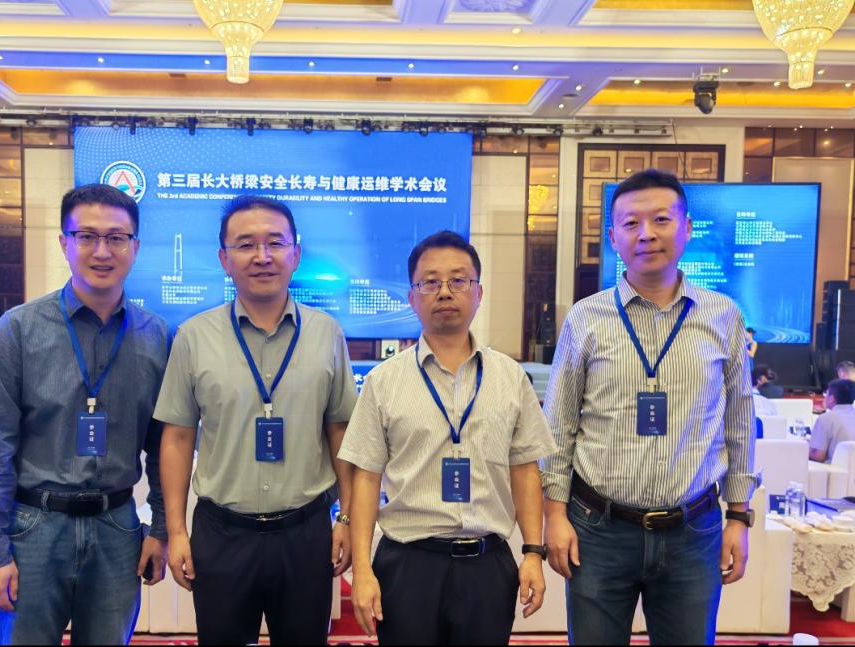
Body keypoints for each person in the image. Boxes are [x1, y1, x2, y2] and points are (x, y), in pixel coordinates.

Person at [541, 169, 756, 646]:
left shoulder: (723, 316)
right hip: (598, 530)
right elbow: (559, 427)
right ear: (613, 237)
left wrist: (739, 517)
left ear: (687, 228)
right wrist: (554, 515)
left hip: (693, 530)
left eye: (661, 219)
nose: (646, 234)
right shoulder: (586, 318)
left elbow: (739, 423)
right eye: (631, 223)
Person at [0, 183, 172, 645]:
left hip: (117, 526)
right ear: (64, 243)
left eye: (116, 238)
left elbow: (163, 448)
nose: (102, 251)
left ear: (135, 247)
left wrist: (160, 528)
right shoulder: (19, 330)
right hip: (33, 527)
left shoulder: (157, 337)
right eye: (86, 236)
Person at [154, 195, 358, 645]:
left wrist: (346, 518)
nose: (262, 256)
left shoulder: (327, 333)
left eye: (275, 243)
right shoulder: (193, 337)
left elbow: (341, 430)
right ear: (224, 259)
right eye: (246, 244)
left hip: (305, 534)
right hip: (222, 534)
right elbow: (178, 437)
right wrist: (177, 531)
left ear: (296, 254)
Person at [341, 231, 556, 645]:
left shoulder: (510, 377)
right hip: (408, 565)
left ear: (478, 293)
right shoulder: (384, 381)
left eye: (458, 280)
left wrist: (533, 552)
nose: (444, 292)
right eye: (430, 282)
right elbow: (366, 477)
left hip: (487, 565)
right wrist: (363, 570)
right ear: (411, 297)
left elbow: (525, 470)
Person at [809, 379, 855, 463]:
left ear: (831, 399)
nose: (824, 397)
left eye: (826, 394)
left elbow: (818, 456)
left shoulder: (826, 418)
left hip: (835, 469)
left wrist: (804, 448)